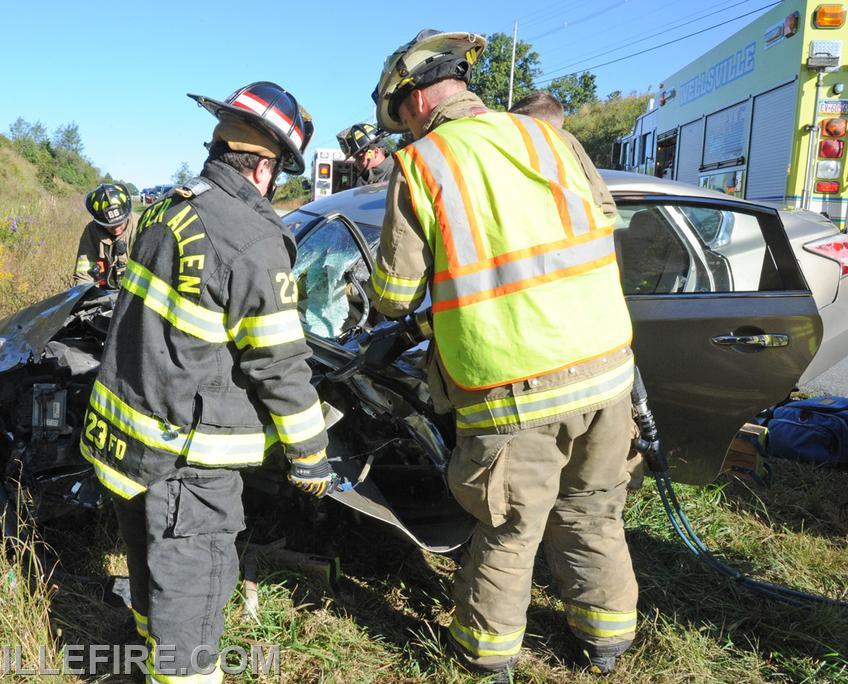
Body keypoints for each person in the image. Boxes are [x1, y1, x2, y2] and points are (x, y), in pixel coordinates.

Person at [369, 30, 638, 678]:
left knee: (511, 527)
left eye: (398, 113)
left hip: (514, 386)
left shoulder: (424, 164)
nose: (403, 129)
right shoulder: (552, 139)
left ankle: (484, 656)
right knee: (594, 510)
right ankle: (607, 643)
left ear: (414, 97)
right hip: (607, 369)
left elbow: (395, 295)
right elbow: (604, 219)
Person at [79, 82, 333, 683]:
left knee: (150, 562)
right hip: (190, 455)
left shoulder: (170, 208)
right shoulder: (251, 239)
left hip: (132, 436)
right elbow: (276, 360)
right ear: (266, 167)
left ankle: (145, 656)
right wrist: (312, 453)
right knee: (191, 588)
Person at [510, 91, 617, 218]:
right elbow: (606, 206)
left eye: (517, 125)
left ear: (535, 125)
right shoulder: (571, 145)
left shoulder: (541, 146)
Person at [74, 183, 137, 287]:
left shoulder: (141, 226)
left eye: (120, 223)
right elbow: (84, 274)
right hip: (104, 293)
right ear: (99, 221)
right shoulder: (91, 231)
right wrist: (84, 296)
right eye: (110, 226)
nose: (116, 230)